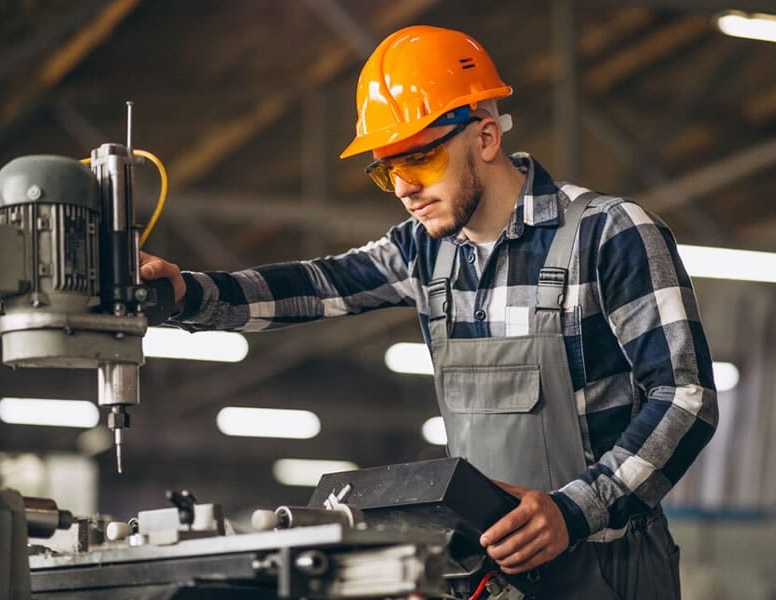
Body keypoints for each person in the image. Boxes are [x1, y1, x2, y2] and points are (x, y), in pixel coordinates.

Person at [141, 25, 717, 599]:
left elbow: (685, 398)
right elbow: (317, 284)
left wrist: (575, 510)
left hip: (607, 568)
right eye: (387, 171)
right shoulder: (423, 251)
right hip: (485, 576)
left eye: (419, 160)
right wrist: (189, 294)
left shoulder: (608, 233)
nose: (403, 189)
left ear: (485, 137)